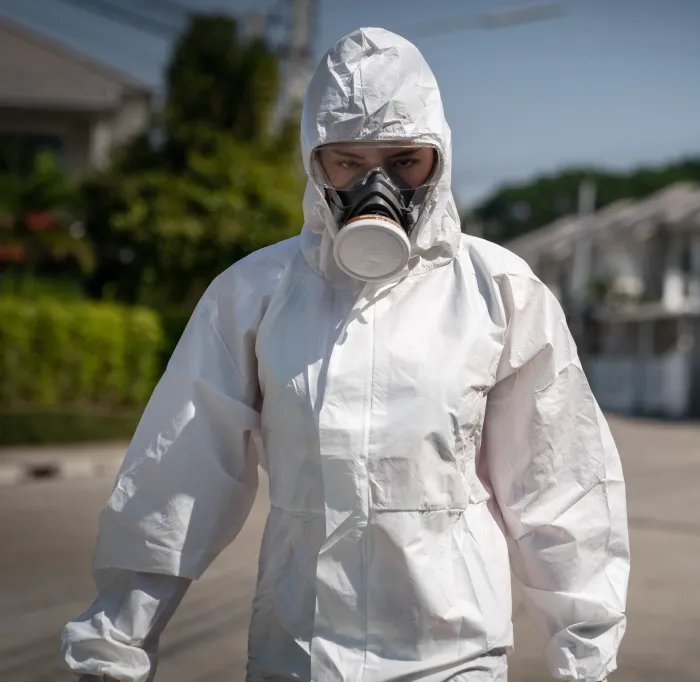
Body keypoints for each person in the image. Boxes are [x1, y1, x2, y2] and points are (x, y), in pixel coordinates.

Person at [61, 27, 629, 682]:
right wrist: (113, 647)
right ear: (315, 161)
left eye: (402, 162)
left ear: (439, 159)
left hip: (454, 657)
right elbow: (178, 478)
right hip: (299, 654)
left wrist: (583, 661)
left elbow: (560, 489)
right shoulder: (255, 295)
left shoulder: (500, 294)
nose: (377, 188)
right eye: (350, 164)